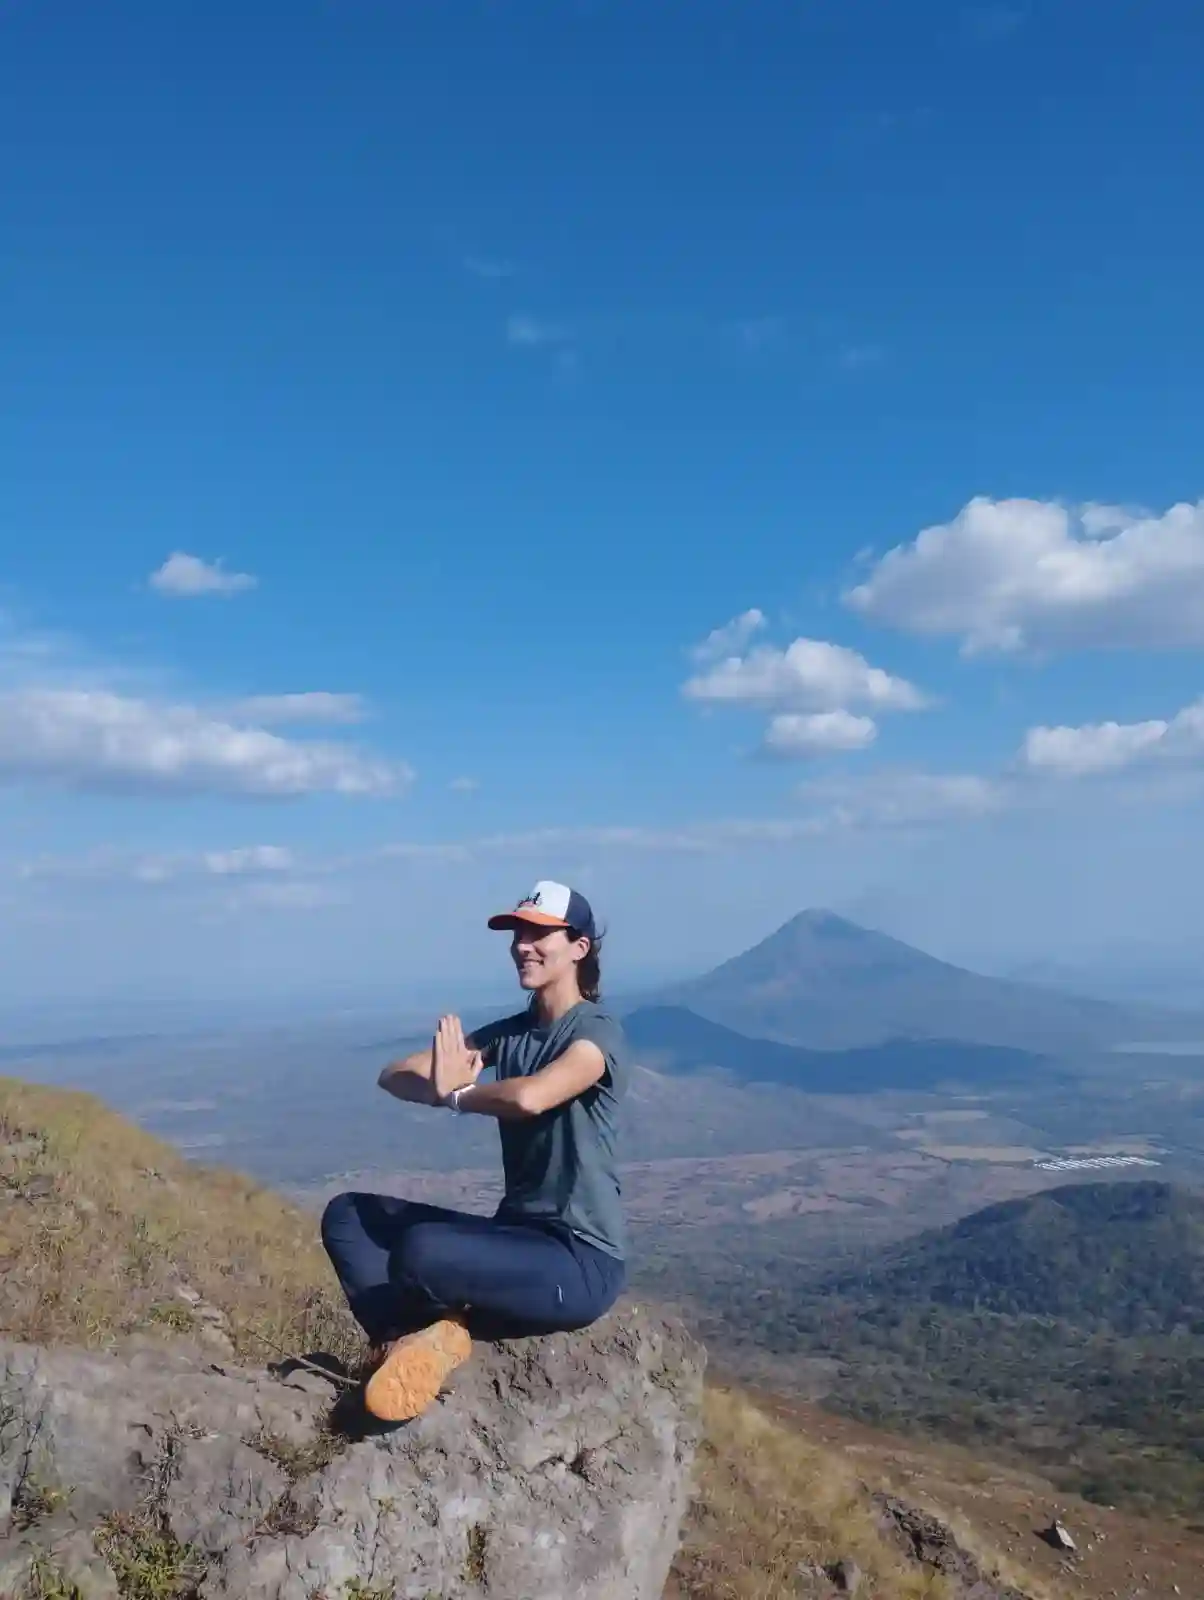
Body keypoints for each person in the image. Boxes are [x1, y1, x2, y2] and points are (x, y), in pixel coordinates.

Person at [321, 880, 628, 1423]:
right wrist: (440, 1085)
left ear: (579, 947)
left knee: (423, 1251)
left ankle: (439, 1332)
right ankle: (405, 1342)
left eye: (539, 933)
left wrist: (458, 1095)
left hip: (579, 1260)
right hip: (516, 1236)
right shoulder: (512, 1034)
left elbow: (533, 1097)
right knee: (348, 1215)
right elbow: (394, 1075)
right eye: (518, 933)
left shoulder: (596, 1033)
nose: (522, 945)